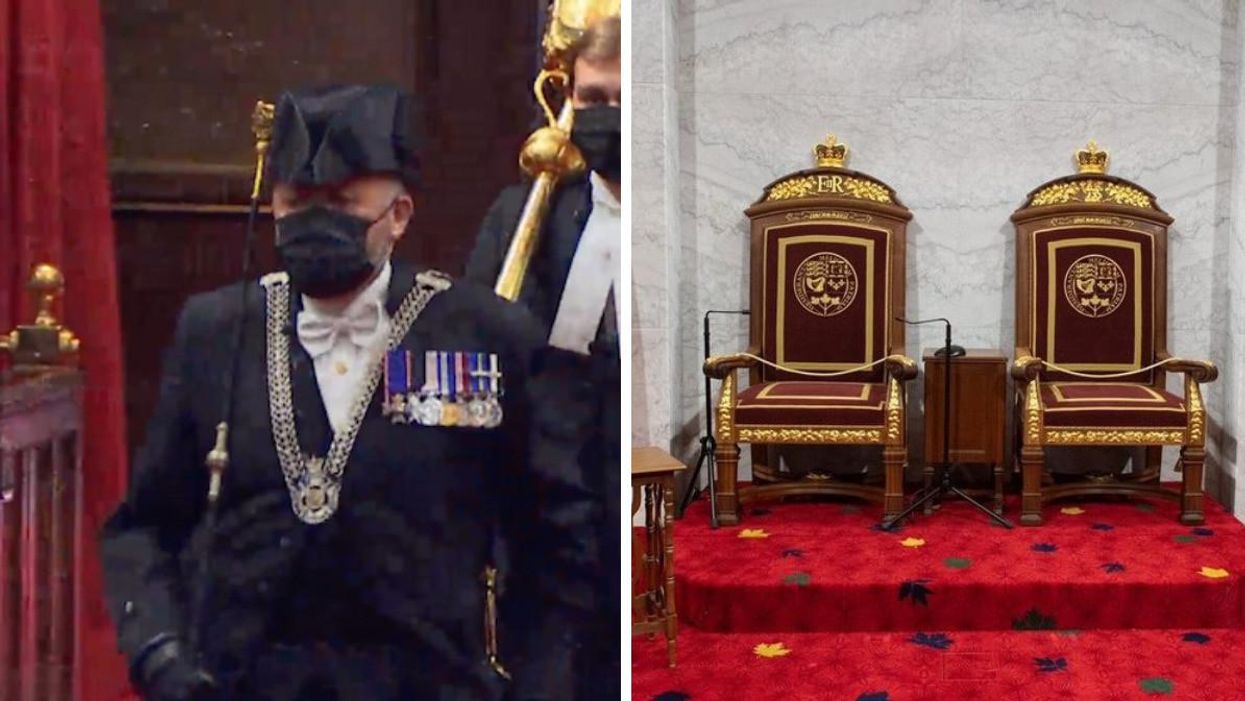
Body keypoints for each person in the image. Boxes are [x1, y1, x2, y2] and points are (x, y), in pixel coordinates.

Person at [99, 84, 598, 701]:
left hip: (428, 683)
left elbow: (555, 541)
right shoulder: (215, 333)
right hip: (239, 681)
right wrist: (159, 653)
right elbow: (143, 527)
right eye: (297, 201)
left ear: (399, 215)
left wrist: (541, 682)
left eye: (340, 201)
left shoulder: (486, 333)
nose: (316, 220)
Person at [465, 16, 621, 701]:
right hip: (550, 485)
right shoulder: (521, 212)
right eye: (592, 99)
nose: (606, 115)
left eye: (623, 101)